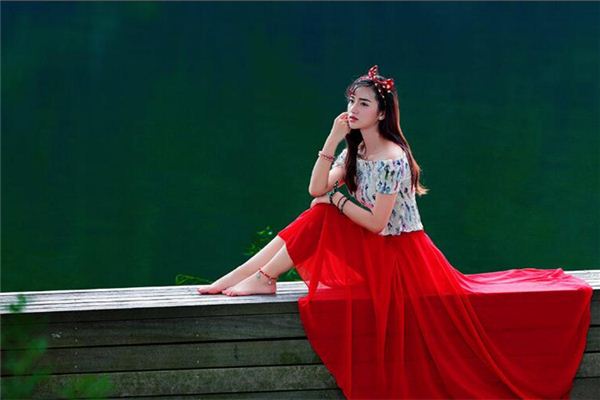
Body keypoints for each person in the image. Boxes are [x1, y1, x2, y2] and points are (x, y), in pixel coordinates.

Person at [197, 65, 593, 399]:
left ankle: (263, 278)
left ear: (382, 113)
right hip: (374, 249)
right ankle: (240, 279)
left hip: (402, 257)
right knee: (316, 214)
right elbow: (315, 189)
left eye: (363, 104)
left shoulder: (391, 157)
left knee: (323, 215)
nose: (353, 109)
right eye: (351, 101)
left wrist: (335, 201)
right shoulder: (355, 150)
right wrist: (332, 140)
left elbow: (376, 222)